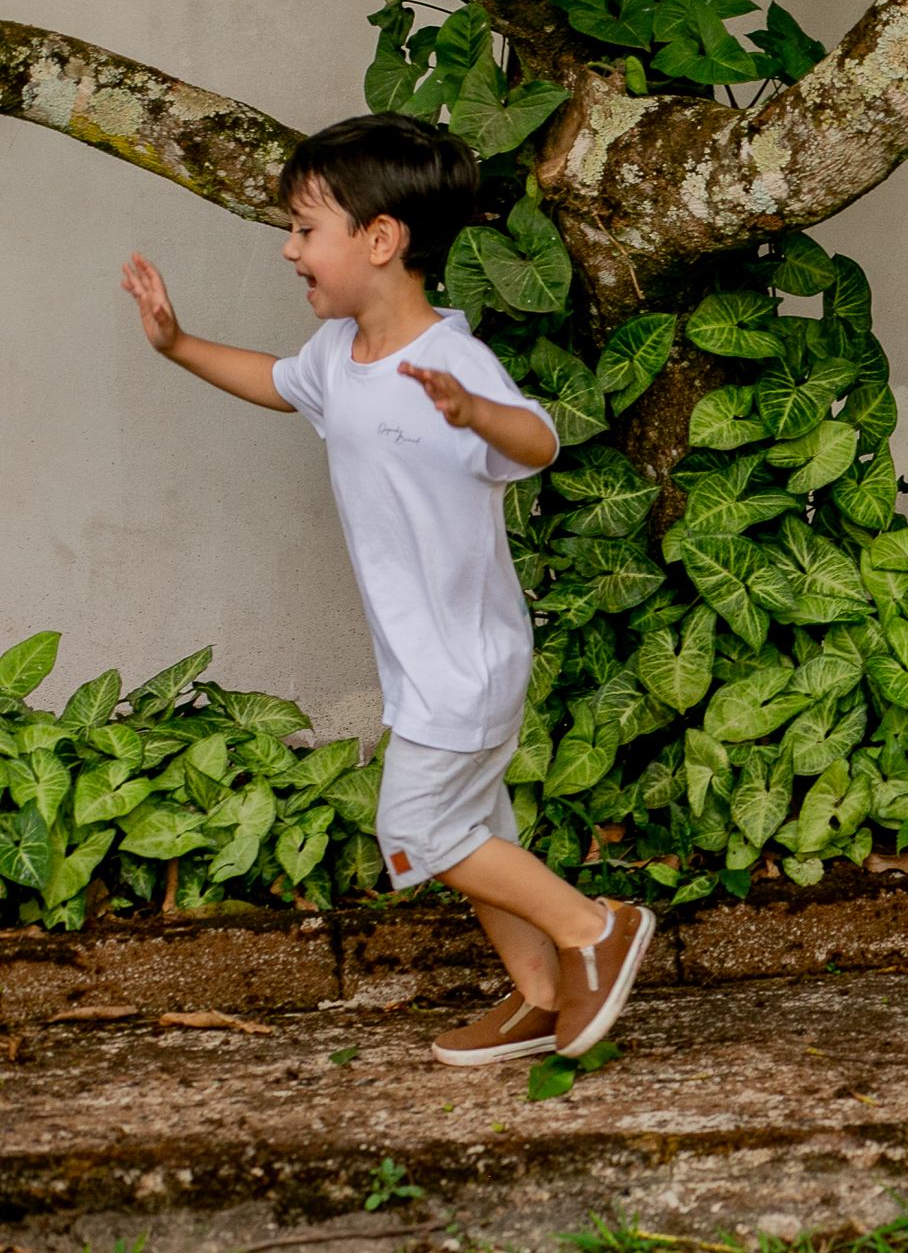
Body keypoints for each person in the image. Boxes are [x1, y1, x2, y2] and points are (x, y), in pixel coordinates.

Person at [120, 112, 653, 1065]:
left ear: (379, 239)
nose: (290, 249)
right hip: (423, 661)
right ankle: (537, 993)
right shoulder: (339, 355)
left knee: (415, 826)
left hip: (466, 661)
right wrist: (177, 344)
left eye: (303, 228)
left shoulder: (447, 362)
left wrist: (472, 409)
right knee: (476, 825)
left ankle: (593, 930)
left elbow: (539, 441)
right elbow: (279, 382)